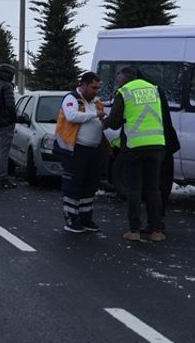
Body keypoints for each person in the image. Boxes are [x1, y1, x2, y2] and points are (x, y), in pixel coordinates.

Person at [105, 67, 168, 242]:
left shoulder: (124, 92)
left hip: (135, 146)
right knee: (154, 189)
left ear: (123, 78)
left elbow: (116, 122)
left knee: (135, 189)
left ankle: (134, 230)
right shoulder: (153, 89)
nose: (118, 80)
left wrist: (104, 121)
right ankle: (156, 230)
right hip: (156, 145)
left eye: (118, 77)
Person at [55, 72, 108, 233]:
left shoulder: (97, 102)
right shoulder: (71, 98)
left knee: (90, 185)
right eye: (93, 87)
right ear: (83, 85)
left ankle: (86, 218)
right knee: (73, 184)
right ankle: (71, 218)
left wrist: (105, 122)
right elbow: (72, 116)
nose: (96, 91)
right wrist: (95, 115)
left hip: (94, 150)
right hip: (76, 149)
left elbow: (100, 121)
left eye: (98, 88)